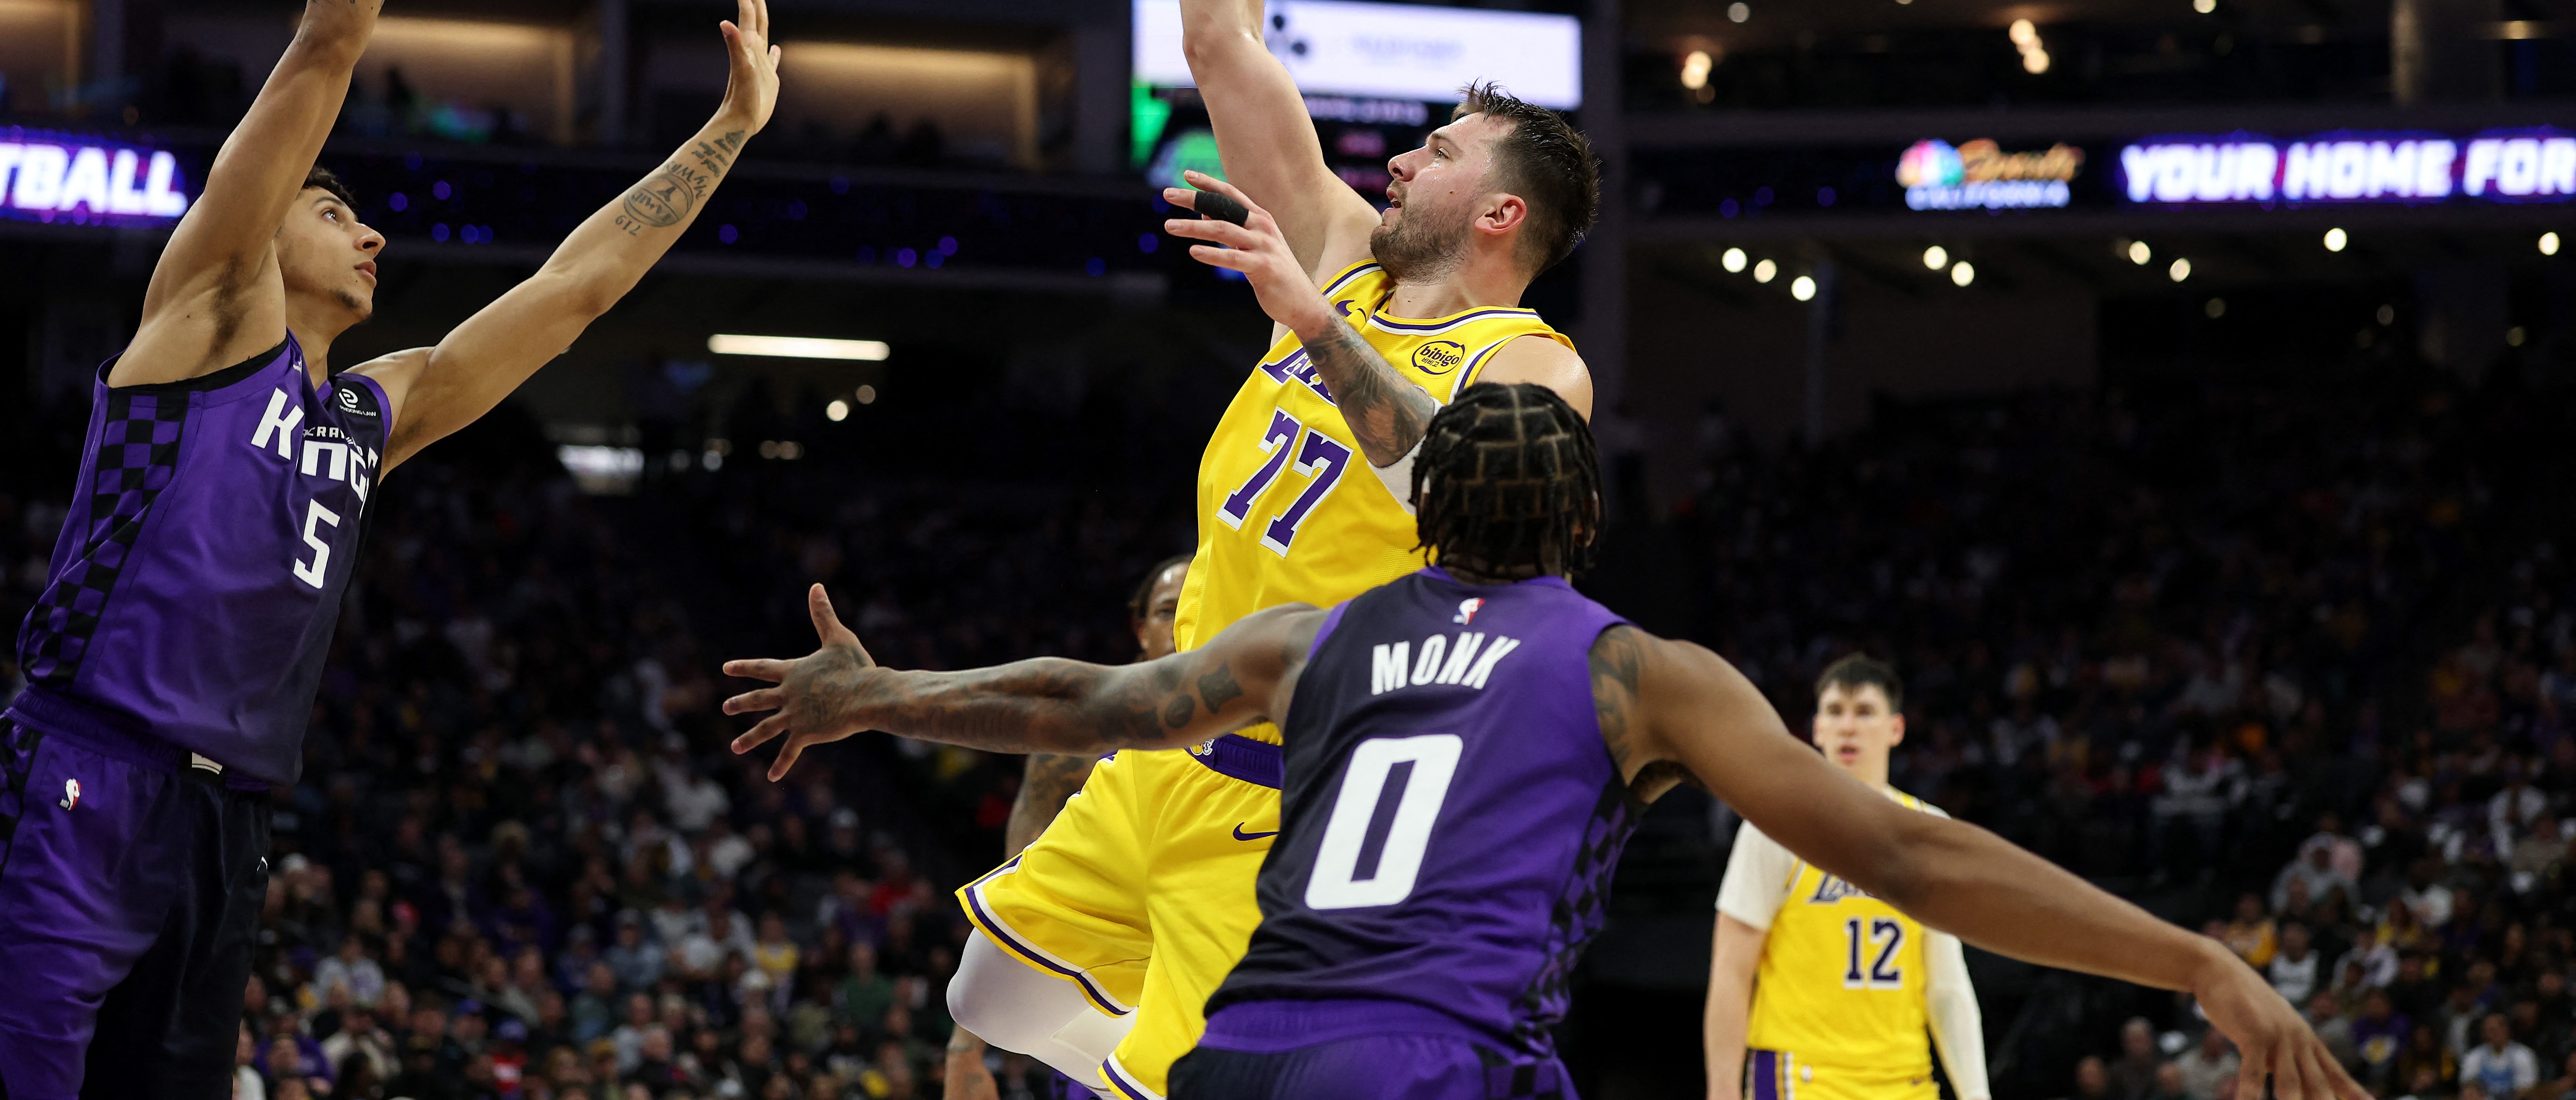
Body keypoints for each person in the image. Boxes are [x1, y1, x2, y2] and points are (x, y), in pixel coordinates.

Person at [724, 383, 2362, 1100]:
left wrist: (880, 696)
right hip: (1426, 1055)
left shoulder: (1314, 638)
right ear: (1588, 517)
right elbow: (1907, 849)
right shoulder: (1634, 672)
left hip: (1241, 1053)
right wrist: (2197, 963)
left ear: (1416, 512)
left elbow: (1088, 703)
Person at [0, 0, 786, 1098]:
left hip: (228, 821)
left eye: (366, 219)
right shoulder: (206, 307)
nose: (366, 230)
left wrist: (731, 132)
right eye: (336, 208)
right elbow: (325, 48)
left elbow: (576, 289)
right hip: (83, 773)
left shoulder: (373, 409)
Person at [939, 0, 1600, 1100]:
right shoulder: (1349, 252)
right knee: (979, 1043)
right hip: (1156, 754)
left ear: (1501, 212)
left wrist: (1315, 325)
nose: (1405, 150)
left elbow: (1460, 481)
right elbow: (1225, 36)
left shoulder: (1532, 363)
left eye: (1438, 149)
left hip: (1286, 805)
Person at [947, 555, 1192, 1100]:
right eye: (1165, 610)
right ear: (1140, 628)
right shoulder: (1082, 735)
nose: (1179, 623)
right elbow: (1018, 899)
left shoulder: (1262, 727)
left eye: (1191, 605)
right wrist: (965, 1047)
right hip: (1103, 1007)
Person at [1702, 655, 1989, 1100]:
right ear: (1816, 729)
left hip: (1905, 1080)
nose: (1848, 727)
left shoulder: (1927, 830)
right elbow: (1730, 972)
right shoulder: (1774, 826)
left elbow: (1947, 986)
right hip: (1800, 1075)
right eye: (1835, 712)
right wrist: (1722, 1091)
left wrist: (1975, 1093)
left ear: (1895, 729)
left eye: (1864, 712)